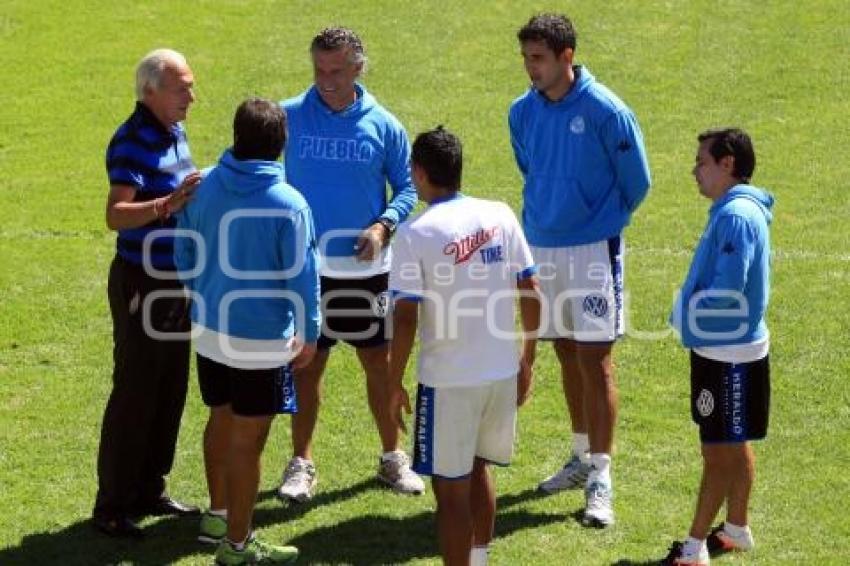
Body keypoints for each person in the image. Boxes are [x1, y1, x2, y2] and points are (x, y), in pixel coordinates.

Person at [508, 13, 651, 527]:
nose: (531, 69)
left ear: (567, 56)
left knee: (597, 359)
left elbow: (637, 182)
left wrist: (598, 218)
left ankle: (602, 476)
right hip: (542, 246)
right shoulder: (521, 112)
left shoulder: (606, 111)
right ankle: (580, 455)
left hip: (593, 249)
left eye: (539, 59)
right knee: (566, 352)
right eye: (526, 58)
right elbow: (531, 168)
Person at [276, 26, 422, 502]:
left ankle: (391, 457)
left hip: (366, 274)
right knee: (306, 367)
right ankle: (301, 463)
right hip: (306, 270)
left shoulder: (384, 124)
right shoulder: (290, 116)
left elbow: (407, 187)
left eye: (336, 71)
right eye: (319, 70)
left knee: (377, 367)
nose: (326, 80)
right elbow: (262, 168)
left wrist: (384, 225)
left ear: (358, 67)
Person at [175, 98, 321, 565]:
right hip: (260, 343)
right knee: (248, 440)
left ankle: (217, 515)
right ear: (280, 144)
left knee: (219, 418)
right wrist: (311, 331)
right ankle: (237, 545)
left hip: (209, 330)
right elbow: (303, 277)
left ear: (237, 136)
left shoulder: (202, 188)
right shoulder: (289, 203)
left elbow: (183, 254)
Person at [388, 127, 541, 566]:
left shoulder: (414, 233)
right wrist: (527, 358)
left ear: (418, 173)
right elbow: (530, 288)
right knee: (480, 469)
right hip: (499, 373)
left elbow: (405, 317)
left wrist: (394, 379)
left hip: (449, 383)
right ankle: (480, 561)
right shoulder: (499, 214)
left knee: (450, 491)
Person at [94, 48, 201, 537]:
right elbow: (116, 214)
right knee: (136, 389)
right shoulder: (131, 141)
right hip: (142, 282)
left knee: (170, 386)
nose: (191, 97)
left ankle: (150, 488)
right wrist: (168, 204)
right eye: (182, 88)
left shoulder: (172, 131)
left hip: (176, 279)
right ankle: (112, 506)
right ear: (151, 92)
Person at [661, 128, 773, 566]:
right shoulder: (734, 210)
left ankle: (692, 550)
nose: (694, 172)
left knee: (718, 452)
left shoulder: (736, 217)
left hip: (726, 354)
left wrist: (685, 311)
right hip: (733, 349)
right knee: (734, 439)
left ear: (727, 164)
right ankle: (736, 529)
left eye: (701, 162)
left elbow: (728, 289)